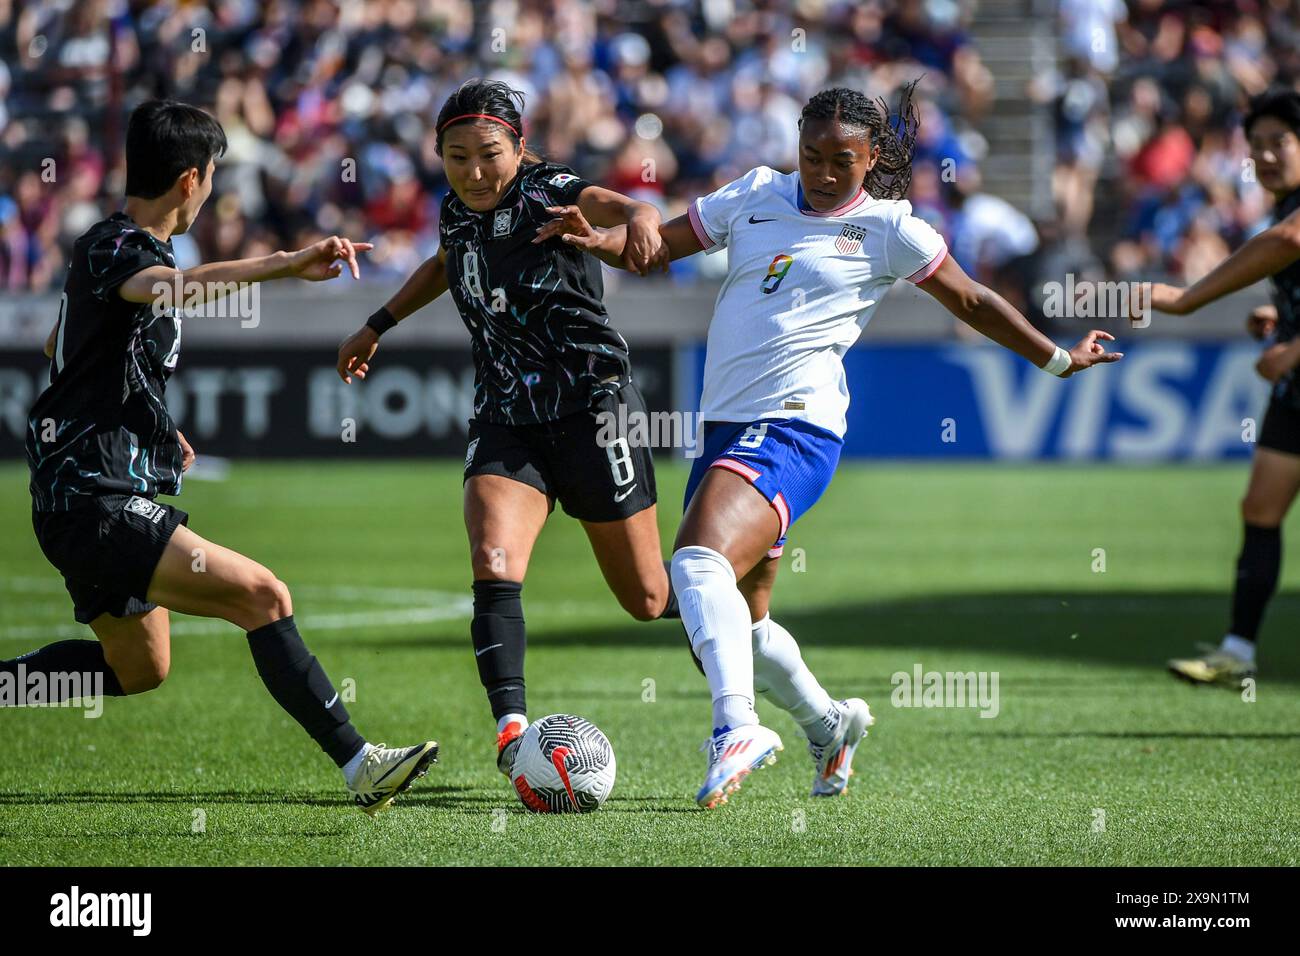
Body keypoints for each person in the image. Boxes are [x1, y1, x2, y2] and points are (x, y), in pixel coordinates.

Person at [539, 84, 1121, 807]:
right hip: (725, 424)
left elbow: (972, 300)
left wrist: (1057, 359)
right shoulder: (754, 193)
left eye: (841, 161)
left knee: (695, 564)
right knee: (736, 627)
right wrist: (600, 242)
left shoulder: (890, 228)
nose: (821, 172)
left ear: (872, 157)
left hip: (795, 424)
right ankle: (829, 725)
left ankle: (736, 727)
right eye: (811, 155)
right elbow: (657, 251)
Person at [3, 99, 437, 816]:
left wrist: (150, 424)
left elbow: (63, 350)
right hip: (93, 497)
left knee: (139, 668)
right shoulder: (122, 247)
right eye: (213, 176)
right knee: (262, 595)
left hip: (86, 492)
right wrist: (287, 263)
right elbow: (169, 292)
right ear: (191, 180)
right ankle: (361, 763)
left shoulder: (113, 249)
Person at [335, 79, 678, 784]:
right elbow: (442, 264)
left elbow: (608, 203)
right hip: (505, 415)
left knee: (649, 600)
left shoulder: (548, 188)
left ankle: (751, 645)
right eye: (455, 156)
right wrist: (377, 324)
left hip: (593, 407)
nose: (473, 170)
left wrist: (641, 211)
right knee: (493, 562)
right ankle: (513, 736)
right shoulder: (455, 210)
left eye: (488, 153)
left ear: (520, 148)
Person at [1139, 88, 1300, 688]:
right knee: (1260, 509)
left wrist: (1184, 299)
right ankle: (1238, 652)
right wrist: (1280, 326)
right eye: (1255, 145)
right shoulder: (1278, 213)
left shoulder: (1287, 224)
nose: (1265, 155)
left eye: (1279, 141)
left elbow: (1289, 244)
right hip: (1294, 395)